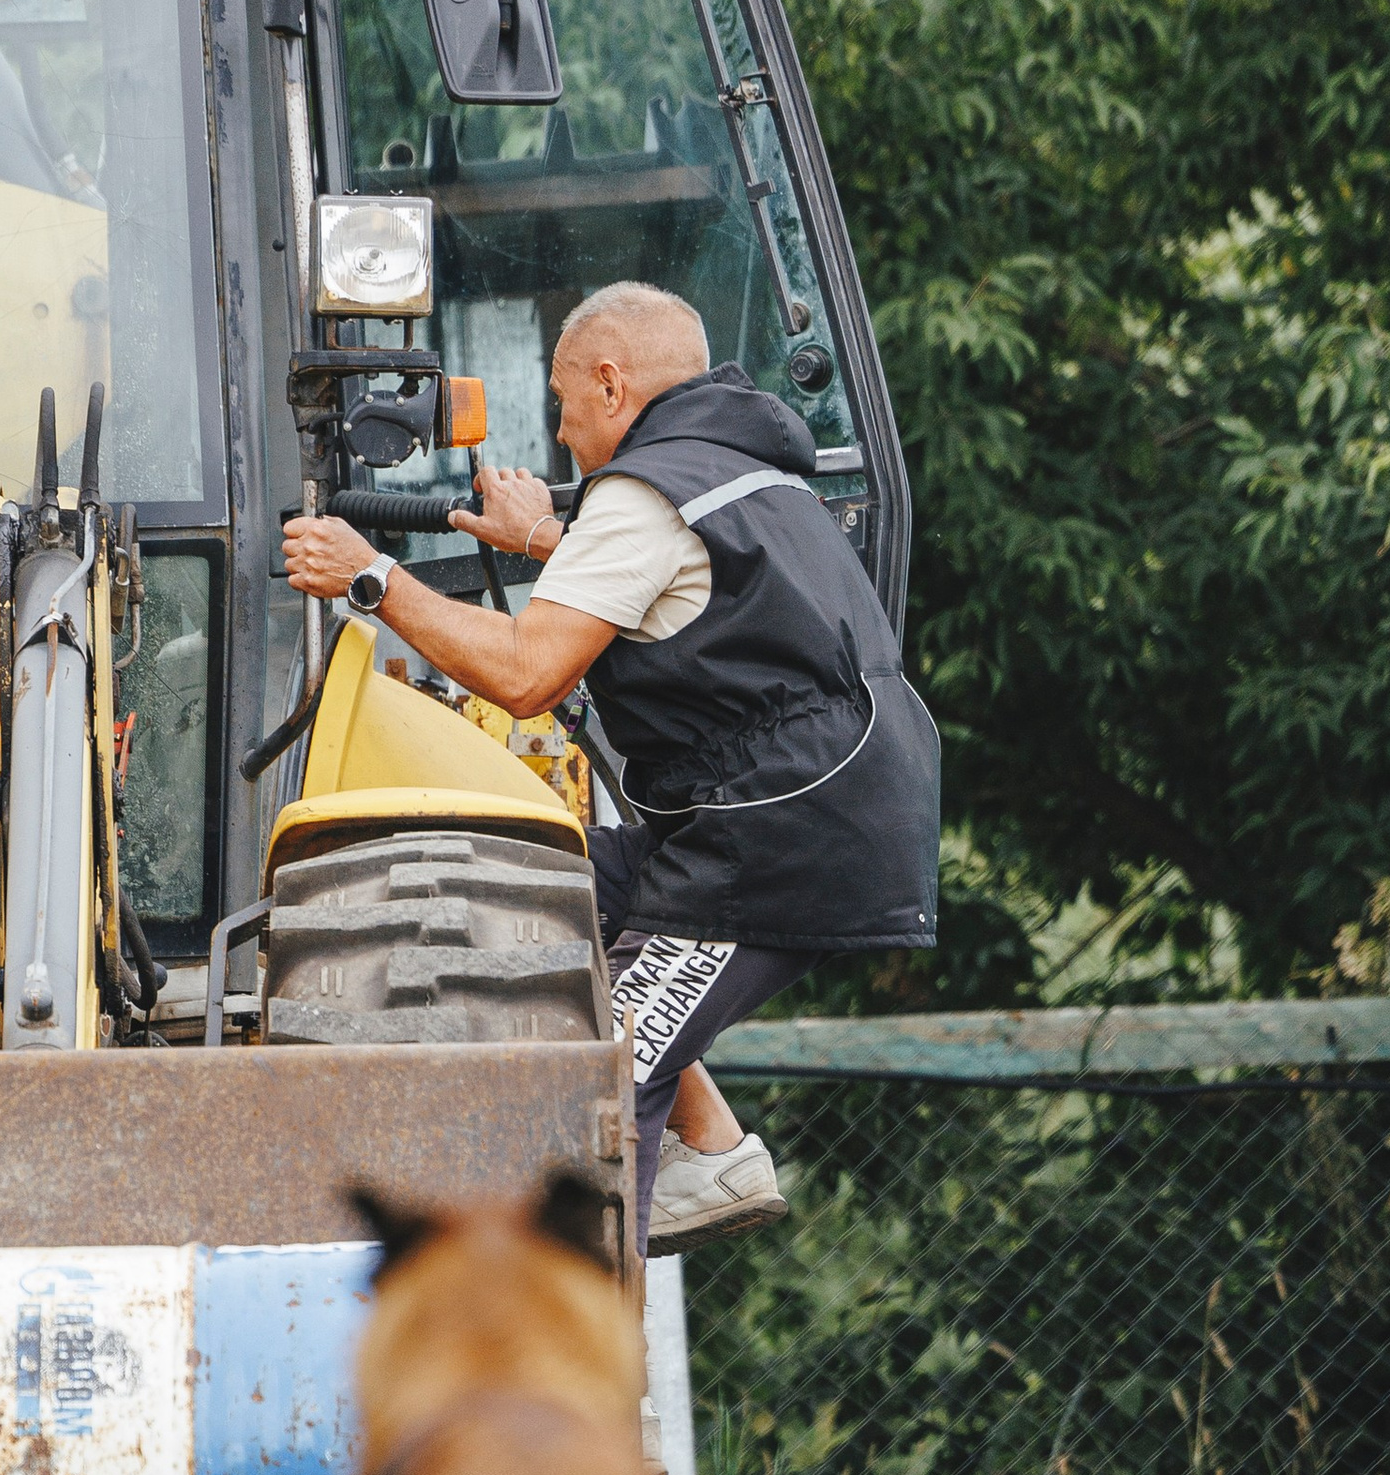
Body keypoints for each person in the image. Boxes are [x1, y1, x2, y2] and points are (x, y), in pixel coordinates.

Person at [282, 282, 940, 1256]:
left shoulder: (644, 489)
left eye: (562, 403)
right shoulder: (737, 474)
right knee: (545, 895)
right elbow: (672, 589)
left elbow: (525, 674)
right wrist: (544, 539)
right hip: (816, 808)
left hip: (777, 838)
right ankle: (712, 1151)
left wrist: (370, 578)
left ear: (609, 380)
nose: (561, 430)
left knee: (599, 1077)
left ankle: (572, 1340)